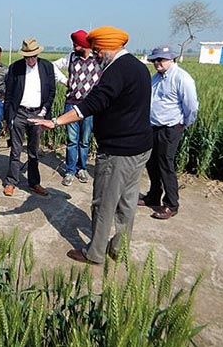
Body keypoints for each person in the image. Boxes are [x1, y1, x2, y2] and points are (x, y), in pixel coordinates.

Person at [30, 26, 153, 265]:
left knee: (104, 203)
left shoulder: (117, 70)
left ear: (110, 47)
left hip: (119, 151)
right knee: (127, 202)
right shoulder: (139, 67)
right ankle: (119, 248)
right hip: (140, 148)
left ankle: (94, 253)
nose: (95, 55)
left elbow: (90, 104)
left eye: (97, 51)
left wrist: (55, 122)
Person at [138, 45, 199, 220]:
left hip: (170, 128)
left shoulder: (182, 78)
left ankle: (171, 204)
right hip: (153, 127)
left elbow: (191, 106)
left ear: (172, 59)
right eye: (155, 60)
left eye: (161, 59)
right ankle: (153, 196)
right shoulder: (155, 78)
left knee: (165, 164)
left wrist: (184, 124)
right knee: (151, 162)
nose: (157, 63)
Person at [2, 38, 56, 197]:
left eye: (33, 56)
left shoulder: (47, 67)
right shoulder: (15, 68)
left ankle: (34, 183)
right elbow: (9, 94)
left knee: (33, 151)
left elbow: (51, 92)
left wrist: (44, 111)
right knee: (16, 150)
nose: (30, 60)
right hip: (19, 113)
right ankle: (11, 182)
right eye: (27, 57)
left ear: (37, 54)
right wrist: (8, 117)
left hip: (37, 114)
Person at [53, 30, 102, 186]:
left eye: (76, 44)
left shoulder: (97, 58)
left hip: (90, 106)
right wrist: (65, 81)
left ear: (84, 45)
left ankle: (82, 168)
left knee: (85, 140)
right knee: (72, 140)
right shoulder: (71, 57)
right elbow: (54, 66)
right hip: (72, 103)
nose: (74, 47)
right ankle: (70, 170)